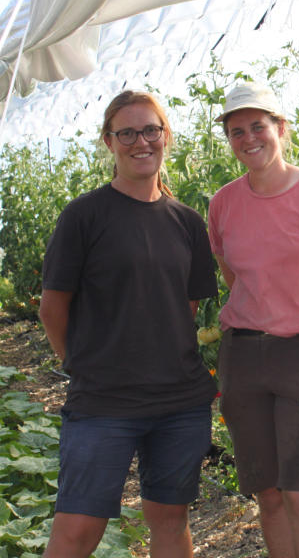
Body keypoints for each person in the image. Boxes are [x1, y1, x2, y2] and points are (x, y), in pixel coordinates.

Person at [38, 91, 218, 558]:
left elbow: (187, 307)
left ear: (166, 136)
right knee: (78, 528)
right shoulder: (85, 215)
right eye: (127, 132)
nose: (141, 141)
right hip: (103, 402)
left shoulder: (187, 223)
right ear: (109, 141)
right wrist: (80, 364)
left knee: (170, 519)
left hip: (179, 402)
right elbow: (52, 308)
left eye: (151, 130)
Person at [207, 82, 299, 557]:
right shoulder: (223, 202)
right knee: (267, 493)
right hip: (243, 355)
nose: (249, 138)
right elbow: (231, 275)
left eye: (258, 126)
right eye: (236, 131)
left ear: (281, 129)